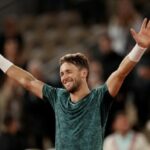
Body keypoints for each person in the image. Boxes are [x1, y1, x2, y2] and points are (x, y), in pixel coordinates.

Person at [0, 18, 150, 150]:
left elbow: (120, 73)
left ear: (84, 73)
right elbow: (28, 81)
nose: (64, 77)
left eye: (68, 72)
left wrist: (140, 47)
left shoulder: (99, 98)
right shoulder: (57, 97)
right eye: (62, 74)